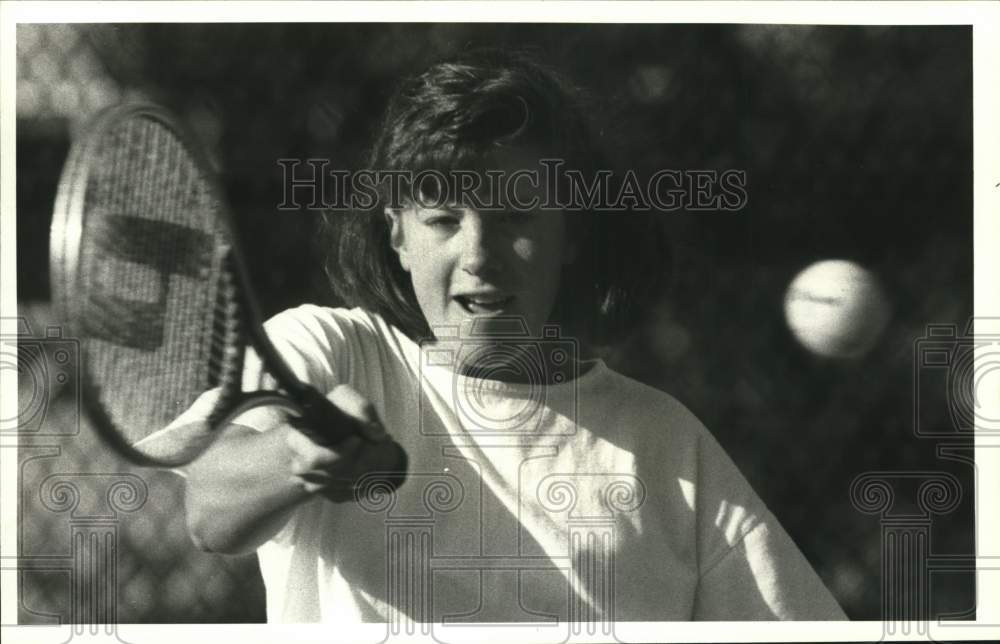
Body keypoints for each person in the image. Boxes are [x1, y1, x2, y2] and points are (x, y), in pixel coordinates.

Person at [181, 49, 847, 623]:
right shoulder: (324, 351)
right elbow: (210, 509)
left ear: (573, 236)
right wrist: (301, 455)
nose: (478, 252)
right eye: (442, 217)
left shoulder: (666, 443)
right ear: (397, 237)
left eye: (514, 214)